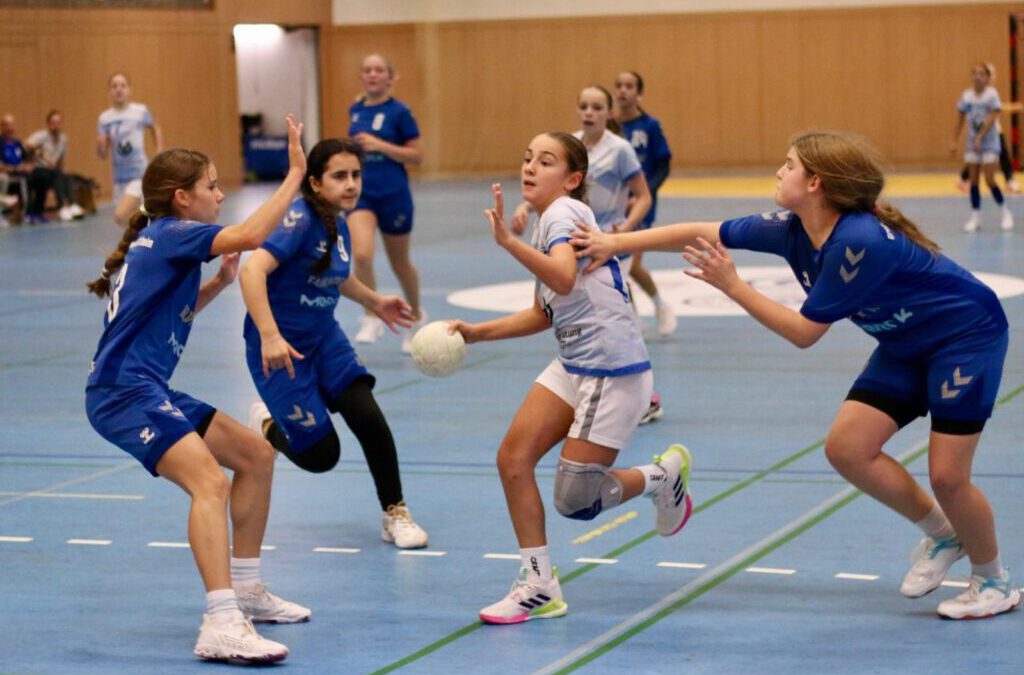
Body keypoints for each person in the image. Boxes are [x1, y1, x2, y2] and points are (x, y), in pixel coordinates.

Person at [573, 130, 1020, 620]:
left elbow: (805, 332)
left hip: (965, 338)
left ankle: (993, 580)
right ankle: (944, 534)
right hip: (906, 342)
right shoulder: (792, 229)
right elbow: (705, 230)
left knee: (948, 476)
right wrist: (615, 242)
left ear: (815, 183)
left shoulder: (859, 242)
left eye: (788, 165)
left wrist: (732, 285)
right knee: (848, 449)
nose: (779, 172)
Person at [84, 116, 313, 664]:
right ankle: (220, 620)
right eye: (212, 185)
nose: (221, 193)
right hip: (123, 393)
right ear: (183, 199)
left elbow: (164, 314)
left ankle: (249, 591)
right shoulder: (172, 233)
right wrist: (295, 175)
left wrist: (216, 285)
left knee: (255, 455)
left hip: (144, 386)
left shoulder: (160, 241)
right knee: (209, 484)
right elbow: (254, 236)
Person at [449, 132, 693, 625]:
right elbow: (547, 310)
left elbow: (560, 277)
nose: (530, 167)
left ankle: (661, 477)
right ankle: (538, 586)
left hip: (611, 369)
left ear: (573, 178)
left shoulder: (562, 213)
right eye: (526, 157)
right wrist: (477, 333)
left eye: (546, 160)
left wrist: (507, 243)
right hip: (575, 362)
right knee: (513, 458)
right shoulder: (552, 221)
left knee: (575, 501)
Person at [239, 137, 429, 549]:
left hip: (324, 338)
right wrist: (270, 336)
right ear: (315, 182)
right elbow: (251, 272)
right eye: (339, 176)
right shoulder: (299, 219)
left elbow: (335, 275)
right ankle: (268, 425)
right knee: (322, 455)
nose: (351, 184)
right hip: (280, 349)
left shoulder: (336, 220)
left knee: (368, 415)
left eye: (356, 175)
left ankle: (395, 512)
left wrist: (375, 301)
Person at [347, 53, 426, 352]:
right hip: (362, 193)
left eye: (379, 70)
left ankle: (416, 316)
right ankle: (371, 314)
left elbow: (417, 156)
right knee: (363, 255)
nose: (373, 75)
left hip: (394, 195)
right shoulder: (355, 110)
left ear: (390, 77)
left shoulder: (400, 113)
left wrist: (380, 146)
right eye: (367, 70)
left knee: (400, 263)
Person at [615, 70, 677, 337]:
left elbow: (663, 166)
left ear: (638, 92)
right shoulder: (610, 128)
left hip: (640, 205)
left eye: (629, 86)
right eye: (618, 86)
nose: (622, 91)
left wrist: (642, 194)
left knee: (631, 264)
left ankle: (660, 305)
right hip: (613, 206)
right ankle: (632, 315)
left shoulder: (650, 126)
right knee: (616, 265)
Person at [97, 72, 163, 227]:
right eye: (114, 86)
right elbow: (102, 155)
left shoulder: (140, 111)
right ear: (109, 92)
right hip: (119, 179)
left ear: (129, 90)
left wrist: (159, 152)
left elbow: (155, 129)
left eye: (122, 86)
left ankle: (149, 238)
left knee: (120, 215)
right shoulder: (104, 118)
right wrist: (100, 144)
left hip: (139, 174)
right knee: (129, 221)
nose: (118, 90)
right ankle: (146, 241)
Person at [953, 63, 1013, 232]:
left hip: (989, 143)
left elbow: (992, 117)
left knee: (989, 179)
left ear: (987, 78)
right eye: (975, 73)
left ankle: (1005, 212)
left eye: (982, 74)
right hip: (973, 144)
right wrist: (954, 140)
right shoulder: (967, 96)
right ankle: (975, 216)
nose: (978, 76)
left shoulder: (991, 95)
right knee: (973, 181)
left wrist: (980, 136)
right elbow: (960, 120)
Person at [957, 64, 1020, 195]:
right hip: (989, 131)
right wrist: (978, 134)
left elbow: (996, 109)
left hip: (993, 130)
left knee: (993, 155)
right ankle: (1008, 180)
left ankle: (964, 178)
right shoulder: (979, 94)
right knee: (980, 157)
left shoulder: (990, 92)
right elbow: (977, 114)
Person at [25, 110, 82, 222]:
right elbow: (26, 145)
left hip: (53, 171)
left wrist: (62, 168)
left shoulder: (63, 139)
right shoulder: (42, 135)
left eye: (58, 122)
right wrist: (40, 154)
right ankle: (61, 207)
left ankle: (72, 205)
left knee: (66, 176)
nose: (55, 125)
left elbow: (61, 158)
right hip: (39, 169)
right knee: (56, 175)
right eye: (53, 123)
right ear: (48, 124)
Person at [1, 113, 31, 224]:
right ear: (2, 127)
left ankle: (27, 213)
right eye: (6, 125)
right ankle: (3, 212)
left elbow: (27, 160)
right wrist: (13, 168)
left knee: (37, 175)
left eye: (11, 125)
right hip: (7, 174)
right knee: (3, 178)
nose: (10, 128)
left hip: (20, 173)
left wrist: (26, 166)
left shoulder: (18, 143)